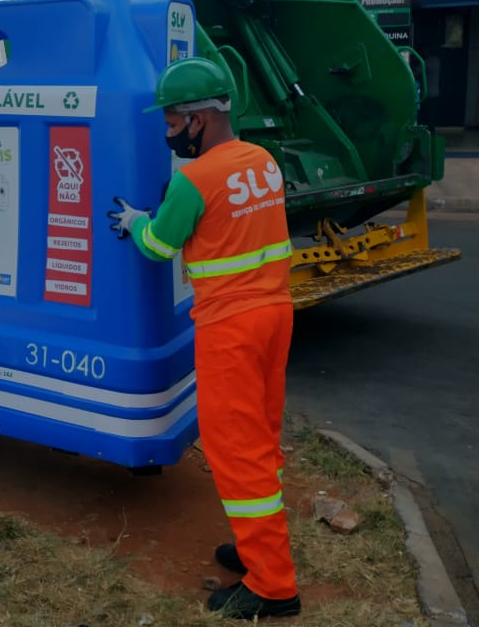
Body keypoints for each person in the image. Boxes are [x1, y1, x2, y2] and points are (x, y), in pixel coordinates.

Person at [108, 57, 300, 620]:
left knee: (235, 451)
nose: (168, 132)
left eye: (171, 122)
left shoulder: (194, 179)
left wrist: (135, 221)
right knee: (261, 437)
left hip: (231, 327)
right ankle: (253, 547)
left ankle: (272, 584)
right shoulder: (263, 163)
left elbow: (158, 247)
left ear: (198, 121)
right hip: (275, 314)